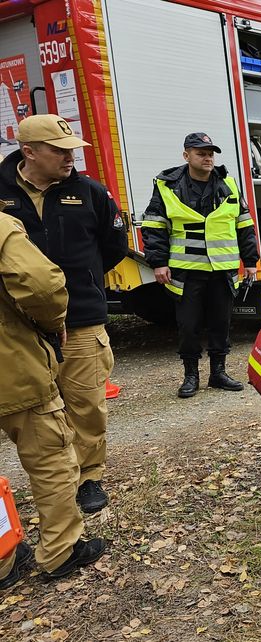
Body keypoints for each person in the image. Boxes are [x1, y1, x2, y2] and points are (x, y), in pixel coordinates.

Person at [0, 114, 128, 514]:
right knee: (39, 408)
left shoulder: (89, 191)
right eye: (60, 150)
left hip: (82, 319)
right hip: (20, 327)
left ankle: (89, 475)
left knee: (86, 401)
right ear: (29, 152)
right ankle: (57, 476)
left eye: (73, 149)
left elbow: (114, 246)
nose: (70, 157)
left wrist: (83, 283)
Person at [0, 214, 108, 590]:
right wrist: (52, 324)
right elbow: (43, 286)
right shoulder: (0, 227)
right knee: (50, 456)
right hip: (11, 369)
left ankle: (3, 561)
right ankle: (61, 551)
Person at [140, 133, 259, 398]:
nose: (207, 158)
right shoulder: (168, 185)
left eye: (210, 153)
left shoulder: (227, 183)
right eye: (200, 153)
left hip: (222, 270)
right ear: (186, 156)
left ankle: (218, 373)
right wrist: (158, 263)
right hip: (187, 270)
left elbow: (244, 225)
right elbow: (154, 226)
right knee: (188, 326)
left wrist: (250, 261)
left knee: (221, 323)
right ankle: (190, 375)